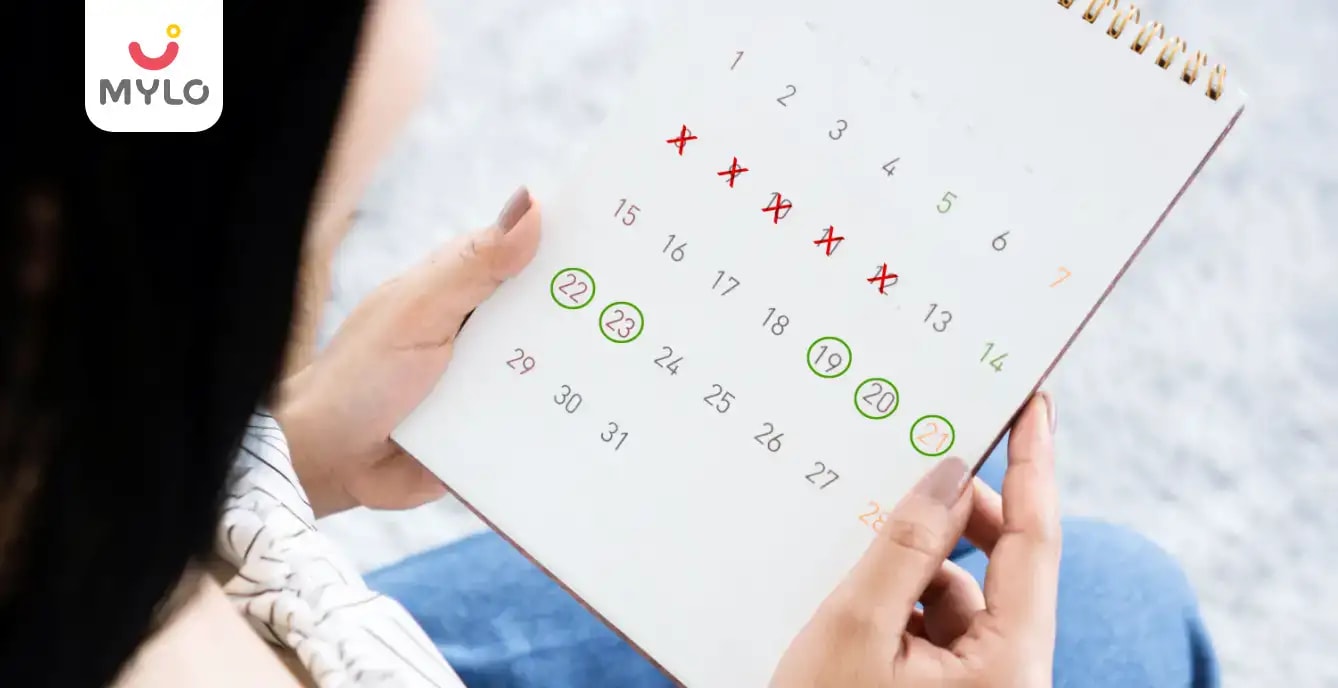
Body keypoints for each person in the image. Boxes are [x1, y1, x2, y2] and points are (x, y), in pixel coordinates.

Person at [2, 1, 1217, 686]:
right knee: (1116, 603)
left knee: (945, 504)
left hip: (286, 619)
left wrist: (295, 444)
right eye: (313, 228)